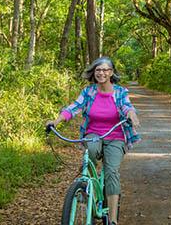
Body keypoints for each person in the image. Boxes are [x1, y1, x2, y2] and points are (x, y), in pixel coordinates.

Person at [47, 56, 140, 225]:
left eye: (105, 70)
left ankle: (112, 219)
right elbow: (73, 108)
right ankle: (87, 188)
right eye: (98, 70)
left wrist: (132, 115)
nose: (101, 73)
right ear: (94, 72)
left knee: (111, 172)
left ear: (111, 73)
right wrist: (56, 121)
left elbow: (127, 107)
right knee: (90, 153)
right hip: (93, 134)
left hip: (115, 137)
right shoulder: (89, 92)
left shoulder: (119, 92)